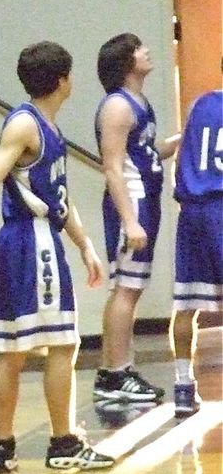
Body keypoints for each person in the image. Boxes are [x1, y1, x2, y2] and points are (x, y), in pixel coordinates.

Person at [0, 42, 114, 474]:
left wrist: (84, 245)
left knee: (13, 351)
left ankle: (3, 448)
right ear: (63, 80)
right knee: (61, 344)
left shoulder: (43, 125)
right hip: (34, 245)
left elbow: (59, 198)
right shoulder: (27, 125)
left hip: (25, 242)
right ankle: (64, 443)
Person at [92, 34, 180, 403]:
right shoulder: (117, 106)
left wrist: (182, 139)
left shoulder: (138, 102)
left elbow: (146, 153)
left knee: (133, 288)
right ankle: (115, 373)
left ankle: (119, 368)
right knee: (125, 288)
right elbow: (112, 168)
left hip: (147, 200)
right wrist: (130, 220)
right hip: (132, 204)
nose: (147, 51)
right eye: (140, 48)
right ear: (127, 61)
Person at [169, 87, 223, 417]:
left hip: (191, 211)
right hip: (220, 204)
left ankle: (183, 388)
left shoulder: (198, 103)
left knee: (187, 305)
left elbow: (181, 156)